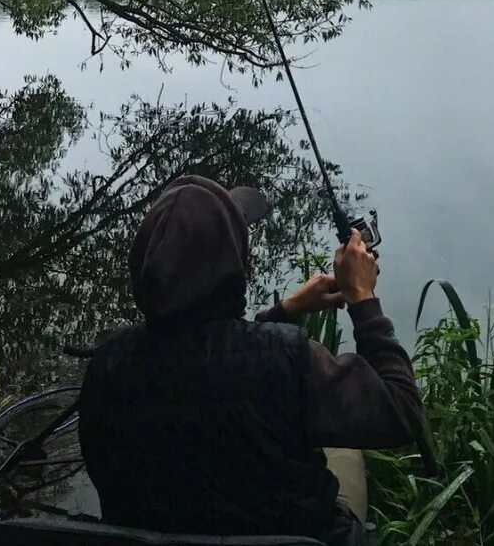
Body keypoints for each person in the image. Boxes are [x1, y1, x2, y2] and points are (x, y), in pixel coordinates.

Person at [78, 175, 424, 546]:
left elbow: (202, 358)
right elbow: (401, 413)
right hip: (305, 537)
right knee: (343, 450)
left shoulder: (106, 366)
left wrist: (282, 311)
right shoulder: (288, 358)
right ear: (234, 265)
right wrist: (363, 300)